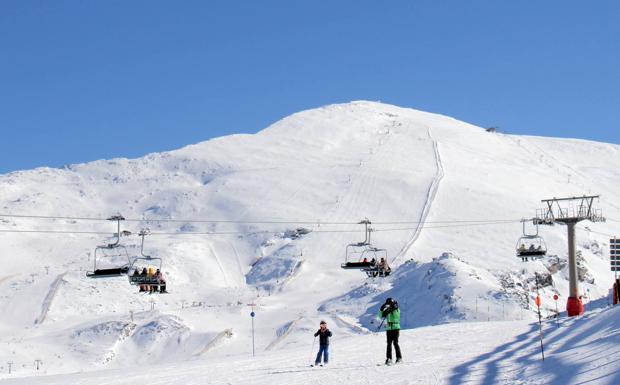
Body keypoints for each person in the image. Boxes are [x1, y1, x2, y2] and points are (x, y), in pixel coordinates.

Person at [378, 297, 402, 365]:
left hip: (395, 327)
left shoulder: (397, 309)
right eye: (387, 304)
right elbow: (380, 316)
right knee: (389, 344)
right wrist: (381, 310)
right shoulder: (388, 309)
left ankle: (399, 358)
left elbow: (396, 316)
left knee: (395, 343)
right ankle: (389, 359)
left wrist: (392, 309)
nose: (388, 305)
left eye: (389, 304)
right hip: (389, 329)